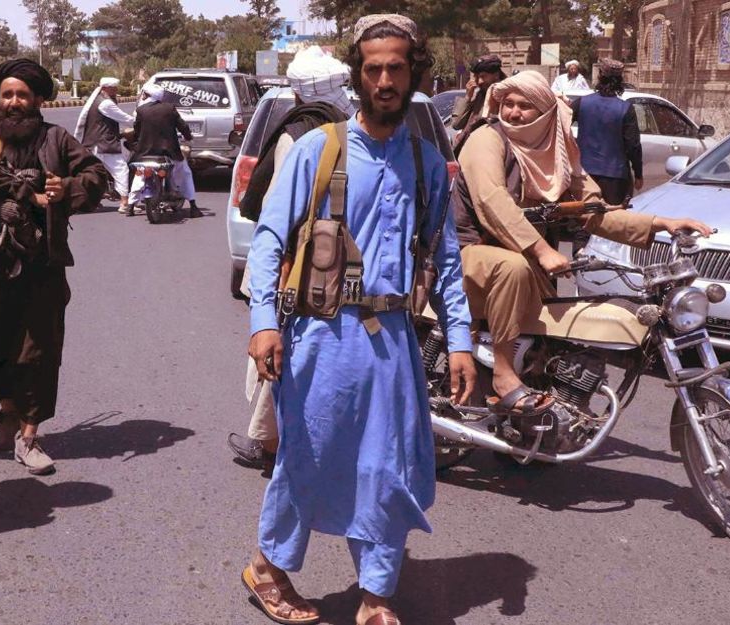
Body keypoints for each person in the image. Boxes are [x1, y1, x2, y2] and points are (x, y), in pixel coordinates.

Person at [242, 15, 475, 625]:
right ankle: (268, 569)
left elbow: (445, 256)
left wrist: (461, 342)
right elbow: (269, 238)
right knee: (307, 455)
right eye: (373, 69)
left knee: (388, 464)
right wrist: (263, 320)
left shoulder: (427, 164)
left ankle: (375, 594)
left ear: (413, 73)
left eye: (396, 67)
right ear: (358, 78)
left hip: (395, 338)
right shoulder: (321, 149)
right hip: (321, 334)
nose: (385, 79)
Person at [454, 70, 710, 412]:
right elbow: (492, 201)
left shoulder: (559, 152)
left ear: (545, 112)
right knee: (513, 267)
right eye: (508, 104)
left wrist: (662, 223)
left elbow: (595, 212)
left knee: (563, 329)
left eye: (524, 106)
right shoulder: (487, 139)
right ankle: (502, 371)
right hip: (465, 252)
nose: (513, 113)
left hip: (524, 259)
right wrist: (542, 250)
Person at [0, 58, 108, 475]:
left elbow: (98, 176)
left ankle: (28, 434)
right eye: (7, 94)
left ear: (38, 99)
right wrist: (30, 189)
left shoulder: (56, 138)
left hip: (41, 264)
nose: (14, 102)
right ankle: (7, 411)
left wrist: (66, 188)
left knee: (38, 351)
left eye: (23, 94)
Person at [226, 45, 355, 471]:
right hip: (323, 260)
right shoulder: (342, 126)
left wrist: (279, 268)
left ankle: (268, 442)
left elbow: (278, 214)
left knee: (282, 350)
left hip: (301, 263)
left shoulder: (299, 132)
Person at [570, 59, 642, 205]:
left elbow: (561, 127)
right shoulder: (625, 108)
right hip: (615, 178)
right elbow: (633, 145)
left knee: (583, 220)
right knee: (613, 220)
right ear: (620, 80)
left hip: (584, 176)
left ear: (600, 76)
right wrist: (638, 174)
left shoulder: (581, 103)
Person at [127, 83, 201, 217]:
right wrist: (188, 137)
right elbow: (182, 126)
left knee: (140, 175)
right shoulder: (169, 108)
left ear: (147, 95)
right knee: (185, 173)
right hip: (169, 152)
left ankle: (130, 206)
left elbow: (137, 132)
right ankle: (193, 206)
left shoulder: (141, 110)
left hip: (145, 153)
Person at [74, 76, 136, 213]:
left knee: (95, 173)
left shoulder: (101, 100)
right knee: (121, 170)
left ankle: (91, 200)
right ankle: (125, 202)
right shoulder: (105, 104)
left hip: (96, 144)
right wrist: (141, 121)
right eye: (113, 89)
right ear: (105, 89)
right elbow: (124, 118)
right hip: (103, 145)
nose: (116, 91)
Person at [451, 54, 506, 135]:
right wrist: (468, 97)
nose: (479, 81)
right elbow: (456, 125)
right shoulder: (479, 96)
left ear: (496, 75)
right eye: (476, 77)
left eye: (483, 76)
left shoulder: (507, 97)